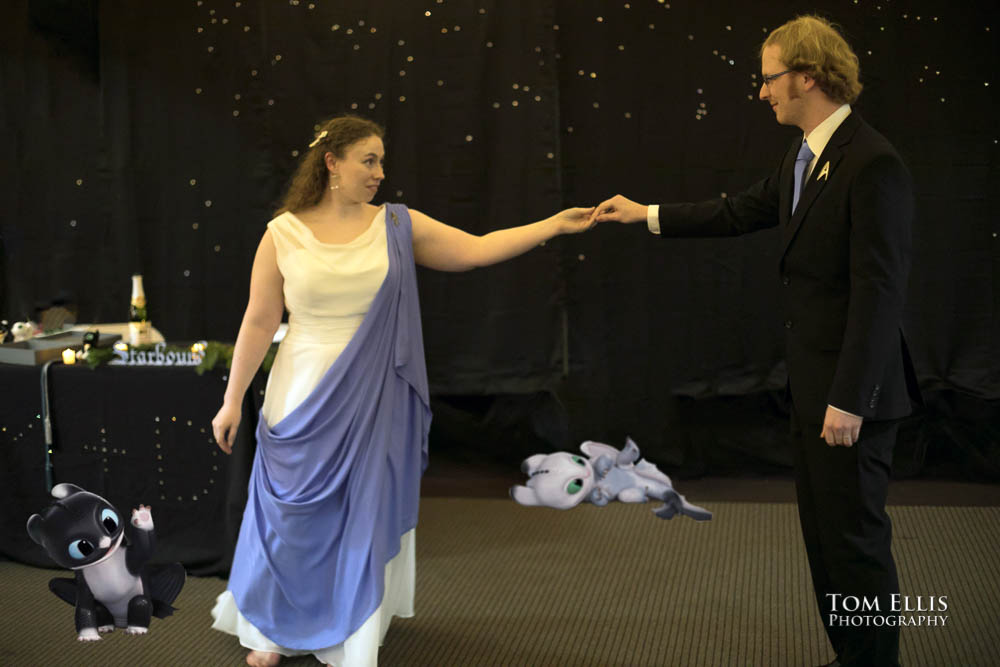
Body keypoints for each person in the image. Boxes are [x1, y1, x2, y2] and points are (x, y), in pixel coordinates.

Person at [591, 15, 920, 667]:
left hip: (850, 399)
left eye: (769, 78)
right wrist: (645, 214)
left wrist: (849, 399)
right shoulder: (806, 158)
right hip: (814, 390)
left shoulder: (872, 162)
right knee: (825, 543)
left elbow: (879, 294)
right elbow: (738, 211)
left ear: (806, 76)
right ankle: (851, 655)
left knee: (854, 544)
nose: (762, 92)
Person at [209, 114, 595, 667]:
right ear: (331, 163)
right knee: (290, 516)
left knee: (362, 516)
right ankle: (269, 631)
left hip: (376, 395)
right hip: (300, 389)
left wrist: (552, 225)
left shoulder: (397, 224)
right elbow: (258, 320)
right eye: (368, 160)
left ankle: (351, 637)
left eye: (381, 161)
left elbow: (478, 249)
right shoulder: (283, 233)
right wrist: (231, 400)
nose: (379, 173)